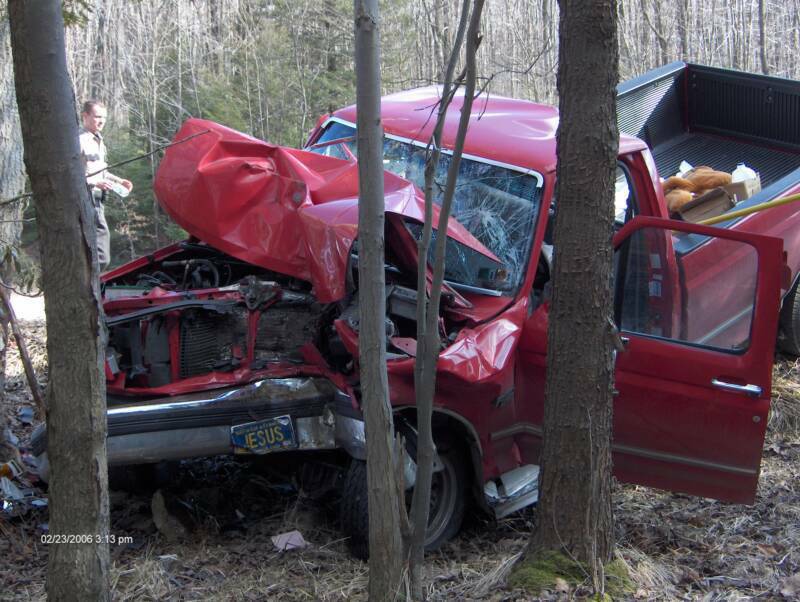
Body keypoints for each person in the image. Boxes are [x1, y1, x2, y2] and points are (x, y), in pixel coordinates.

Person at [79, 100, 132, 270]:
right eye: (97, 117)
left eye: (104, 117)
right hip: (86, 198)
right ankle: (89, 285)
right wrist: (95, 182)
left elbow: (101, 170)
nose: (101, 121)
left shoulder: (99, 140)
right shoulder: (78, 140)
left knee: (97, 252)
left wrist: (119, 181)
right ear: (85, 116)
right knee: (101, 256)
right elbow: (72, 175)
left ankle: (90, 285)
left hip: (99, 199)